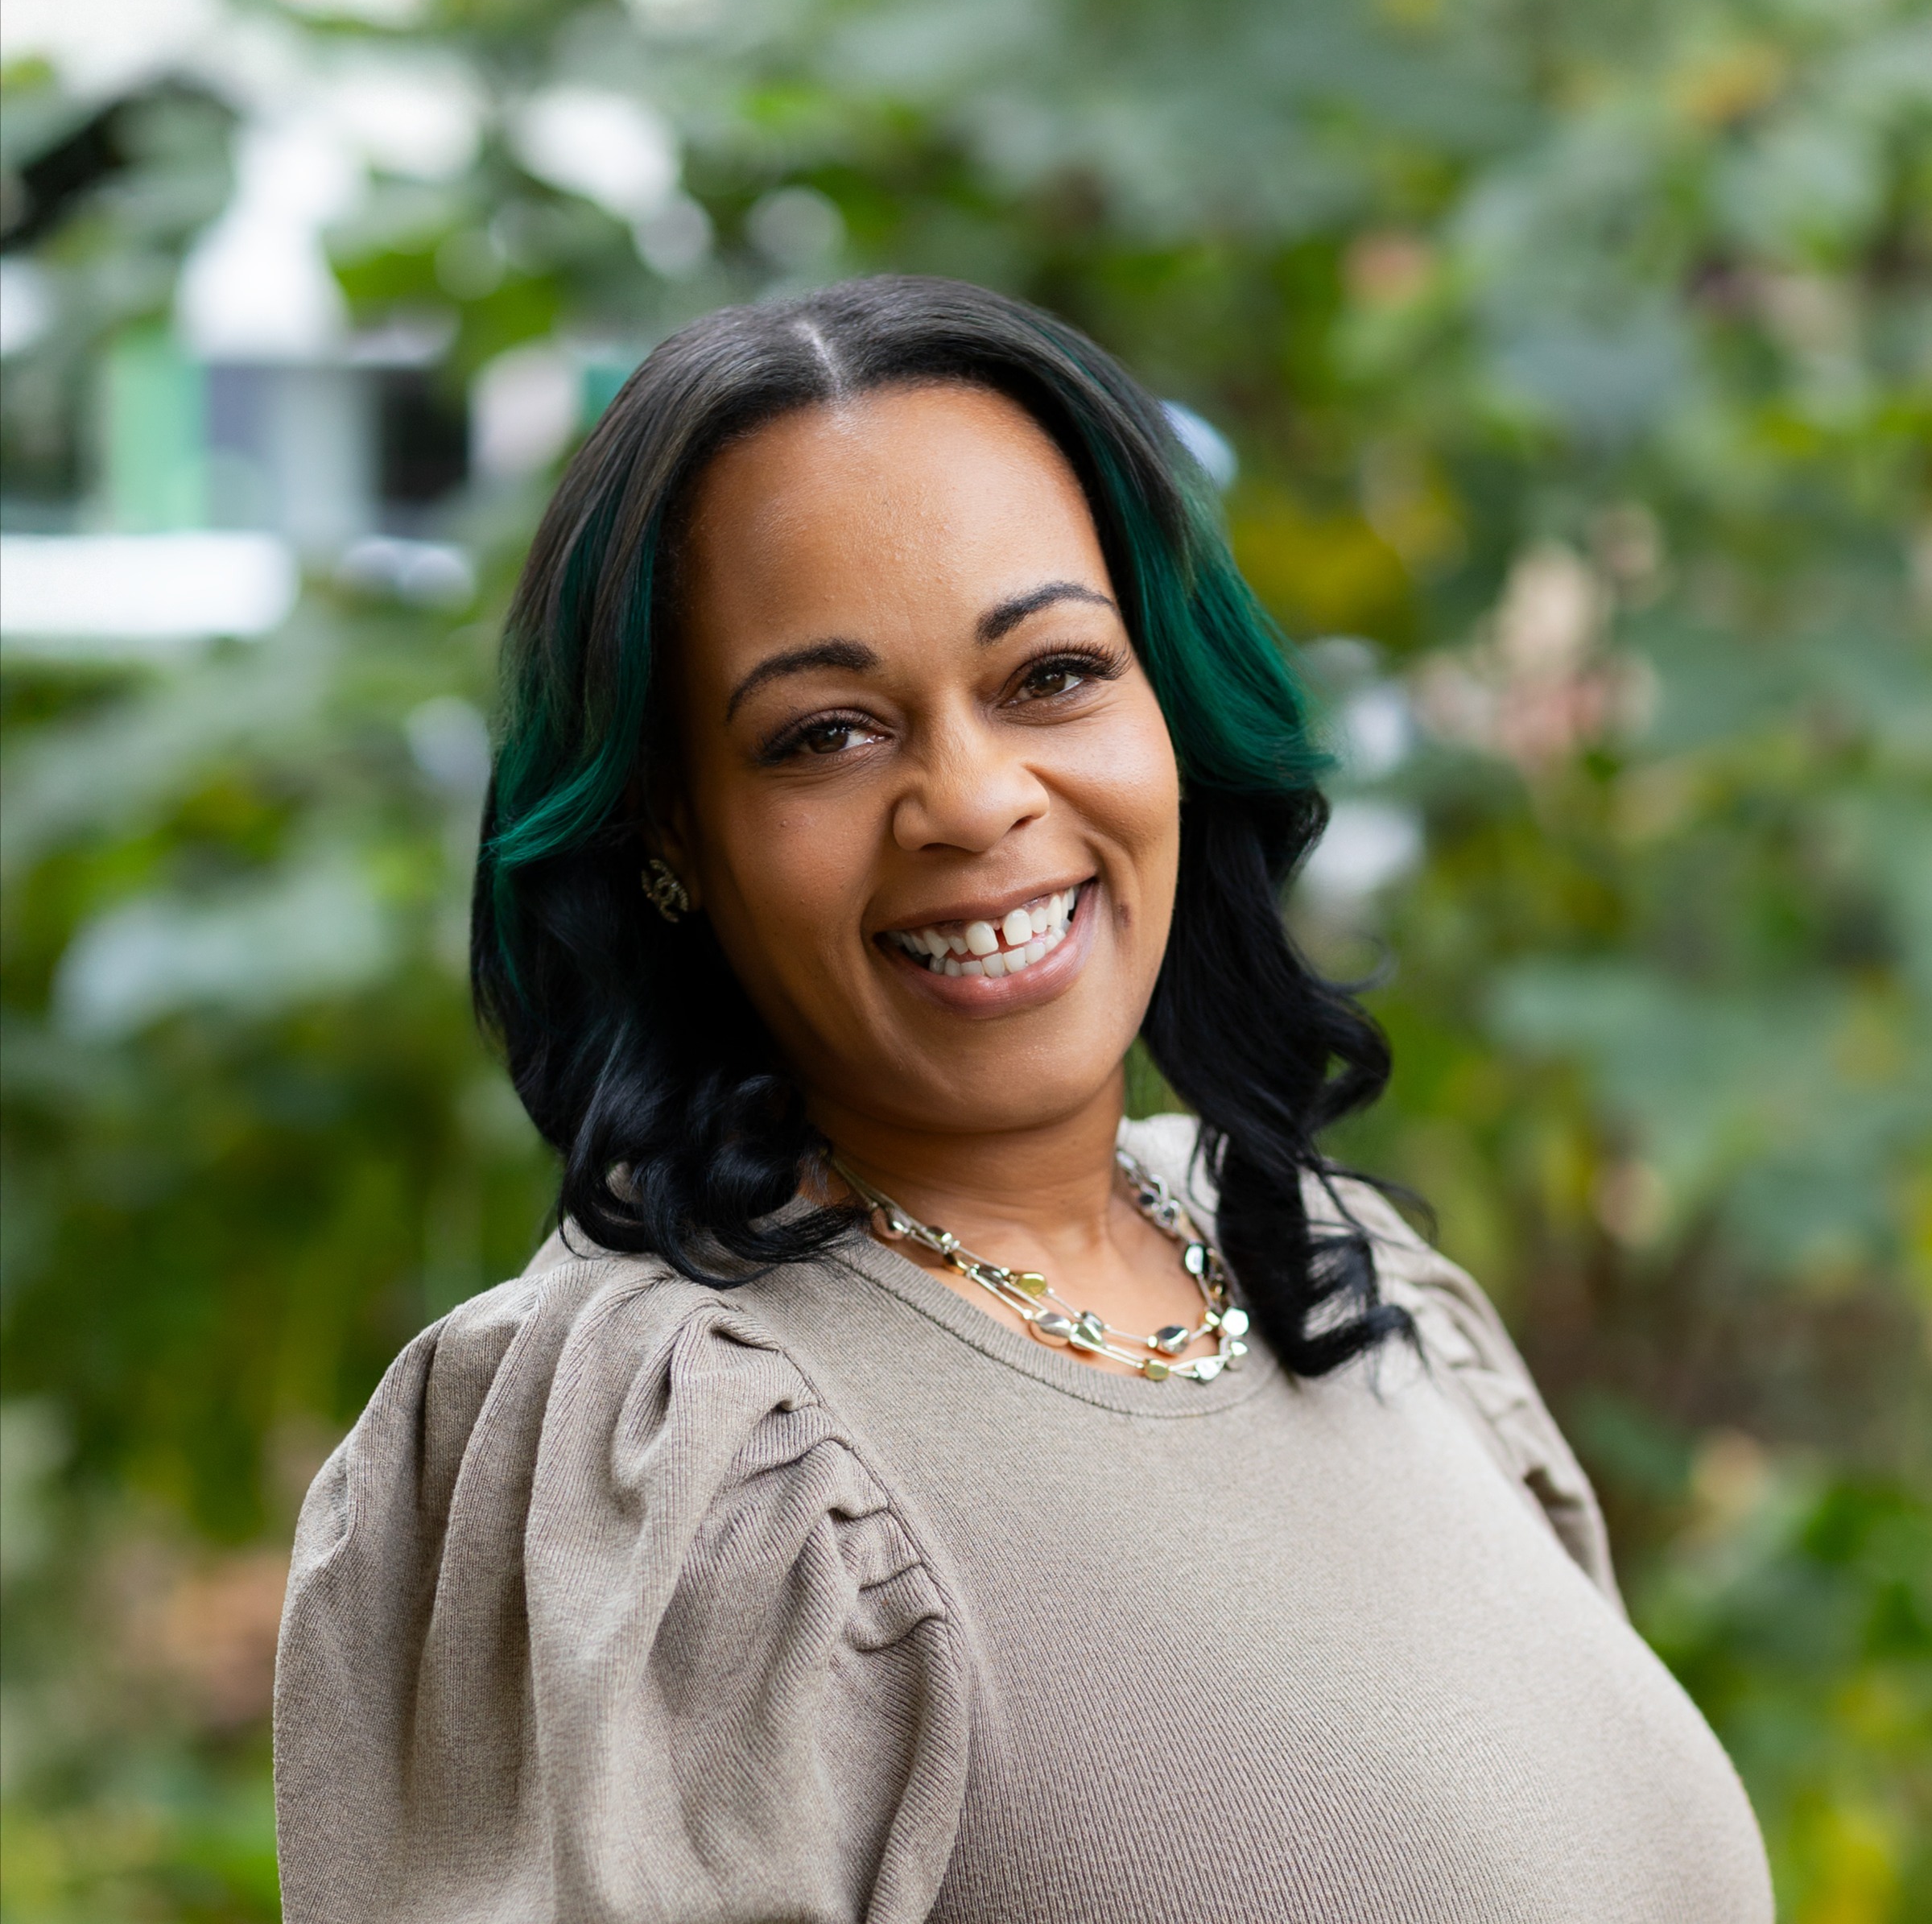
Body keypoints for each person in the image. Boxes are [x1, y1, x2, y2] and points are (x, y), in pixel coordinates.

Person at [274, 276, 1772, 1923]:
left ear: (1169, 716)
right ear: (668, 837)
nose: (975, 800)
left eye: (1051, 675)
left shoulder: (1350, 1284)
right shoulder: (676, 1452)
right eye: (825, 734)